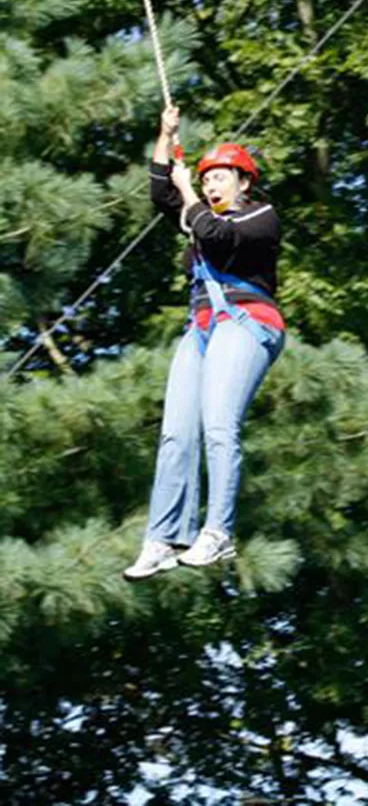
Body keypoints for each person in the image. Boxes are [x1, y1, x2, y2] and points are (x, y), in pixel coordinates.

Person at [124, 107, 285, 580]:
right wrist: (165, 134)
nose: (212, 185)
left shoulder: (260, 216)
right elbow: (160, 191)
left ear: (244, 183)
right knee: (176, 432)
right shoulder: (196, 213)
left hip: (247, 320)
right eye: (207, 178)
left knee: (219, 426)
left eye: (220, 178)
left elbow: (214, 236)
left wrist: (190, 190)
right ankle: (164, 537)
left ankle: (217, 532)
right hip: (203, 327)